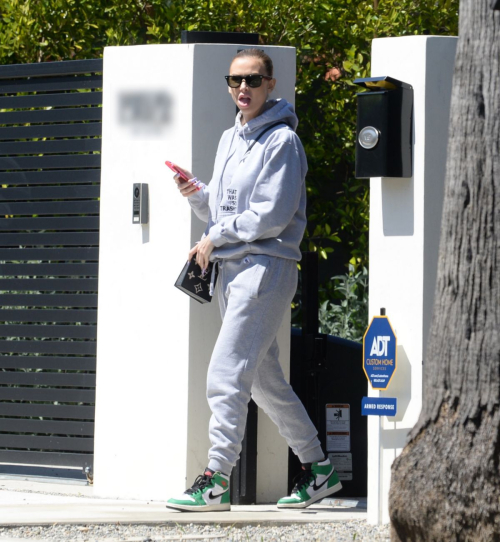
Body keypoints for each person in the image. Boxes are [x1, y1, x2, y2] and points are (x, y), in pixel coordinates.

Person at [166, 48, 341, 512]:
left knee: (226, 374)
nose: (242, 88)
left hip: (264, 270)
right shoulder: (231, 138)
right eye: (234, 80)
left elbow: (271, 215)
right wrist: (196, 196)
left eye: (253, 80)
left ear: (271, 84)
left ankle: (216, 479)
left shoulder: (283, 142)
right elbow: (226, 211)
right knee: (264, 383)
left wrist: (214, 236)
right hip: (234, 270)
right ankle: (318, 470)